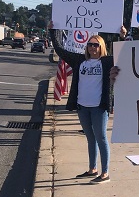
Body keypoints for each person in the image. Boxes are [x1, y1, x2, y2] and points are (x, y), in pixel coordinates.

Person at [49, 25, 115, 183]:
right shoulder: (80, 61)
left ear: (101, 46)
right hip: (82, 106)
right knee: (90, 138)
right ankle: (93, 169)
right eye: (90, 44)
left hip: (99, 107)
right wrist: (53, 30)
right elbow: (60, 50)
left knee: (101, 138)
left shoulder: (107, 62)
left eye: (96, 45)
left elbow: (127, 53)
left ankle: (105, 173)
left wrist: (124, 35)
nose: (92, 47)